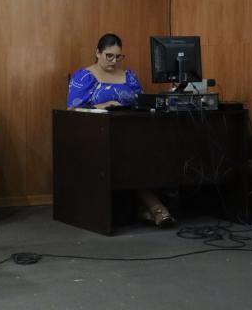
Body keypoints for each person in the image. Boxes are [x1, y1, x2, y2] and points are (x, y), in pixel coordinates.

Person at [67, 33, 175, 227]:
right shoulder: (84, 77)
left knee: (157, 150)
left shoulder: (129, 77)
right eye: (109, 55)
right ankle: (156, 208)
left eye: (118, 57)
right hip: (98, 137)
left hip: (132, 133)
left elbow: (140, 102)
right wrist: (104, 105)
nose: (114, 61)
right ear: (97, 53)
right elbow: (73, 111)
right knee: (129, 158)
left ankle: (148, 208)